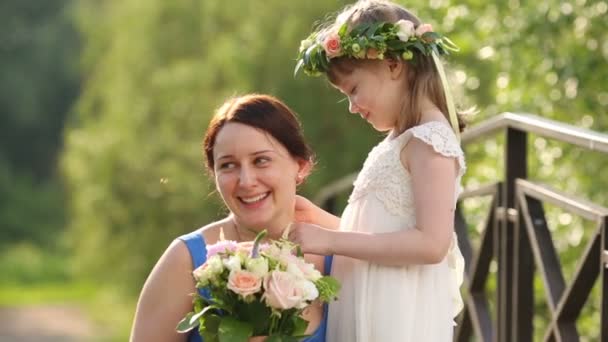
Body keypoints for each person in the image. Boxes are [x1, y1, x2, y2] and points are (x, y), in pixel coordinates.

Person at [290, 1, 468, 341]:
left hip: (396, 311)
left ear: (392, 65)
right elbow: (382, 226)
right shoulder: (398, 141)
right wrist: (323, 221)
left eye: (354, 90)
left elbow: (431, 244)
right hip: (370, 298)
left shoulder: (430, 141)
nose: (353, 107)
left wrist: (331, 241)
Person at [130, 94, 331, 342]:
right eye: (228, 165)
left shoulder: (338, 256)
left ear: (300, 166)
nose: (246, 181)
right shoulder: (186, 259)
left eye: (261, 160)